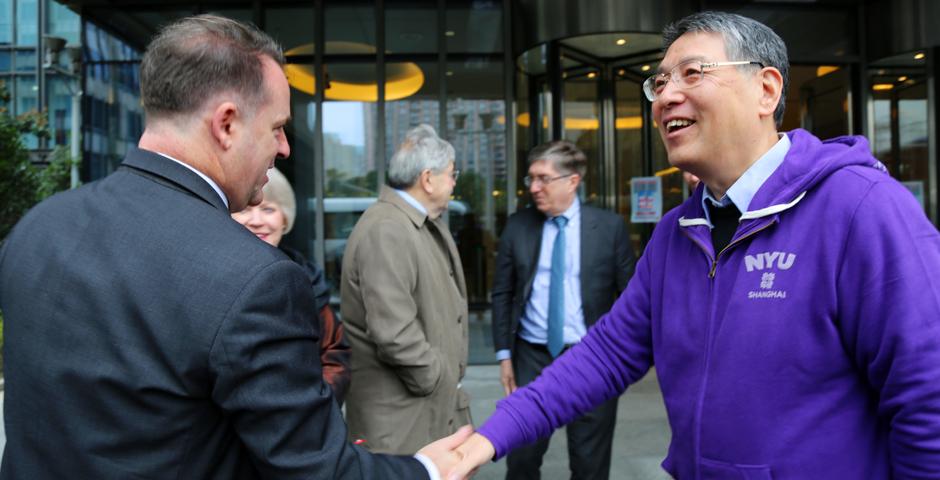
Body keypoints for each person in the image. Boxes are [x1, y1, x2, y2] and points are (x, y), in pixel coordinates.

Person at [448, 11, 940, 479]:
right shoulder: (676, 232)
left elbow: (927, 396)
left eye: (691, 73)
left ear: (765, 90)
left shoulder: (862, 208)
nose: (665, 97)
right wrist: (486, 440)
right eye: (659, 83)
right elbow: (604, 355)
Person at [0, 14, 469, 479]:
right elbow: (318, 471)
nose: (284, 148)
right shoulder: (255, 278)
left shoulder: (37, 227)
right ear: (226, 124)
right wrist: (428, 469)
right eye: (276, 127)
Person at [490, 140, 634, 480]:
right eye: (531, 179)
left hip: (592, 357)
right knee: (522, 458)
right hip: (532, 356)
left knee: (589, 464)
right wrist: (504, 354)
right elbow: (502, 292)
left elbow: (631, 297)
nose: (534, 188)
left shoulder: (609, 228)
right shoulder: (518, 225)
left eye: (543, 178)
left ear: (572, 180)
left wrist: (623, 361)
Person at [341, 124, 472, 456]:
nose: (454, 182)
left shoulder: (413, 223)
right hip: (401, 424)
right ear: (428, 179)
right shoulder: (388, 229)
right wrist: (438, 378)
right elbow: (394, 333)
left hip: (421, 415)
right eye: (452, 174)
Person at [232, 167, 352, 405]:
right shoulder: (213, 277)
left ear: (285, 219)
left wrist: (312, 406)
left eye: (268, 209)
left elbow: (335, 354)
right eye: (246, 209)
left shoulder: (307, 279)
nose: (257, 221)